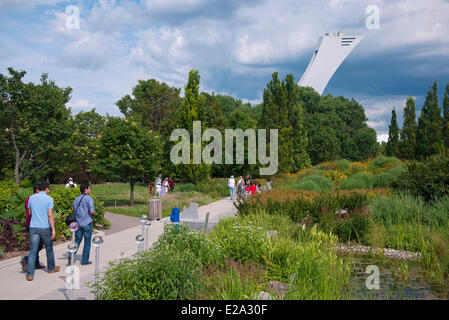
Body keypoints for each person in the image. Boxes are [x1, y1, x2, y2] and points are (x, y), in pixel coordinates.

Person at [26, 181, 60, 281]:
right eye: (48, 188)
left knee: (33, 250)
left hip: (33, 227)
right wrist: (53, 229)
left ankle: (30, 274)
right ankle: (51, 268)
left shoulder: (31, 198)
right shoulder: (49, 199)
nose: (49, 190)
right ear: (46, 189)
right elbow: (50, 215)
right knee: (49, 248)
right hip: (45, 227)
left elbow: (29, 212)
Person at [20, 183, 45, 272]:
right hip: (33, 225)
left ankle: (35, 263)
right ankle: (26, 259)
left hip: (32, 224)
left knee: (38, 244)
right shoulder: (31, 200)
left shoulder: (29, 199)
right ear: (37, 190)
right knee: (38, 245)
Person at [69, 182, 95, 266]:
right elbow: (91, 211)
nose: (90, 190)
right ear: (86, 189)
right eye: (89, 188)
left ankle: (71, 254)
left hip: (78, 223)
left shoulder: (76, 199)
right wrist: (94, 212)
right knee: (87, 242)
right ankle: (84, 261)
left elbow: (74, 211)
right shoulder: (89, 198)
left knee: (77, 239)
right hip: (87, 223)